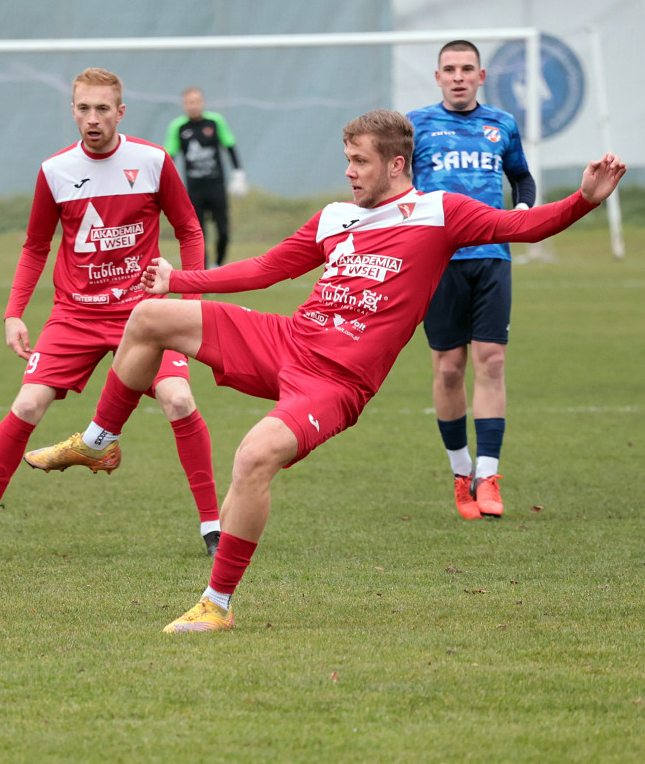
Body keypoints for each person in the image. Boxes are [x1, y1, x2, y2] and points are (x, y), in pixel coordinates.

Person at [31, 109, 623, 632]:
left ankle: (216, 602)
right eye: (347, 160)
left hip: (334, 382)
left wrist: (585, 200)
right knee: (151, 316)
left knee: (253, 455)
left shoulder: (442, 213)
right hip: (286, 339)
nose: (349, 172)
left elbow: (521, 226)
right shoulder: (336, 216)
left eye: (359, 162)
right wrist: (179, 281)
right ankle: (100, 442)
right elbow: (267, 269)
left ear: (396, 165)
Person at [0, 67, 221, 559]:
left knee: (179, 400)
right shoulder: (55, 171)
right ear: (72, 110)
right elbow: (35, 247)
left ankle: (213, 529)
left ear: (120, 111)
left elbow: (190, 230)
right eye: (83, 108)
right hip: (74, 315)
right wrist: (14, 312)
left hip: (145, 315)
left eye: (102, 109)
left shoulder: (153, 161)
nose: (92, 119)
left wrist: (190, 301)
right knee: (27, 406)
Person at [407, 40, 536, 520]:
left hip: (492, 257)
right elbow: (394, 183)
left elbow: (521, 177)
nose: (458, 76)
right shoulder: (414, 125)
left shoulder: (501, 123)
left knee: (493, 362)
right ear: (437, 77)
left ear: (481, 76)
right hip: (437, 260)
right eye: (449, 69)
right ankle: (461, 474)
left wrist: (521, 211)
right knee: (448, 369)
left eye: (467, 69)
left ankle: (488, 475)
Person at [164, 87, 248, 268]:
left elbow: (230, 146)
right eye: (189, 102)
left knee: (223, 231)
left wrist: (238, 174)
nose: (192, 106)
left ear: (202, 102)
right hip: (194, 189)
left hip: (216, 186)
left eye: (196, 102)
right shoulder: (178, 127)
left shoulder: (215, 122)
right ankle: (204, 272)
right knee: (198, 233)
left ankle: (217, 263)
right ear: (184, 105)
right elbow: (169, 157)